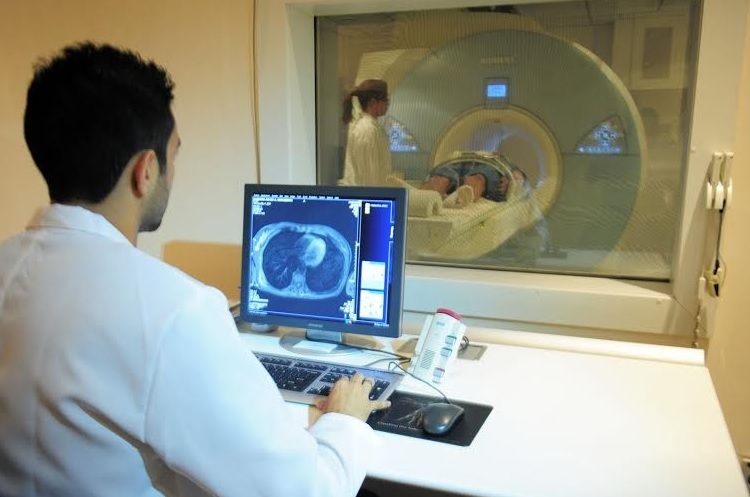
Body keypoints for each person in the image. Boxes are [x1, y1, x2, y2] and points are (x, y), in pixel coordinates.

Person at [0, 42, 389, 497]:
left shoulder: (9, 265)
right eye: (174, 154)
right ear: (146, 170)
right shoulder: (172, 310)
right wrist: (343, 420)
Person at [338, 79, 392, 187]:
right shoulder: (366, 130)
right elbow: (368, 177)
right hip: (367, 194)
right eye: (385, 99)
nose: (388, 104)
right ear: (373, 102)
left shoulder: (370, 127)